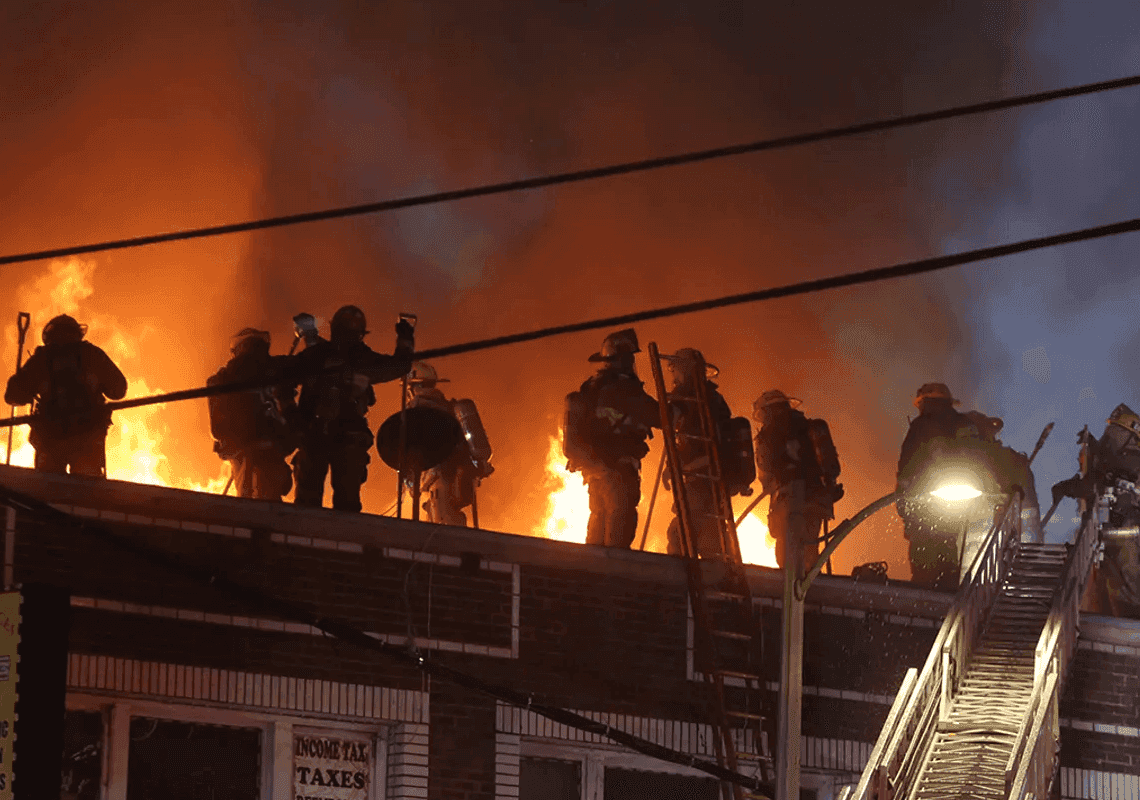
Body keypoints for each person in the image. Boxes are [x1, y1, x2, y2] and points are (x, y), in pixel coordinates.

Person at [289, 305, 414, 512]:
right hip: (346, 436)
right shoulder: (363, 359)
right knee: (346, 503)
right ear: (361, 334)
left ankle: (304, 531)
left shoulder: (317, 355)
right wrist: (405, 339)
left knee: (307, 501)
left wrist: (292, 416)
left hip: (315, 433)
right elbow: (400, 366)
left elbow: (284, 372)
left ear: (334, 328)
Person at [562, 329, 660, 548]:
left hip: (596, 471)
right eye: (629, 357)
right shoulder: (624, 390)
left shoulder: (592, 388)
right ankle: (614, 567)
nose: (631, 362)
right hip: (618, 469)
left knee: (598, 524)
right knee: (620, 527)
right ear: (622, 359)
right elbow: (659, 416)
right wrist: (682, 407)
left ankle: (593, 566)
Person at [4, 314, 127, 477]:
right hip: (87, 437)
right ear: (78, 333)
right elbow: (119, 390)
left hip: (50, 437)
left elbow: (13, 396)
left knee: (48, 486)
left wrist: (22, 382)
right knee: (87, 487)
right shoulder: (93, 355)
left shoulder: (42, 358)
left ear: (49, 336)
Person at [895, 383, 981, 590]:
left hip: (925, 508)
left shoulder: (920, 426)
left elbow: (907, 468)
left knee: (924, 564)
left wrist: (904, 507)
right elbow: (980, 460)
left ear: (924, 402)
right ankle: (950, 596)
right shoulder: (965, 425)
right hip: (962, 509)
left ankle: (923, 601)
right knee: (953, 558)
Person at [753, 389, 843, 572]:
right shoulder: (809, 427)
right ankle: (811, 584)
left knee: (787, 557)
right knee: (810, 549)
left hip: (789, 501)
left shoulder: (769, 433)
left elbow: (766, 472)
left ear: (766, 410)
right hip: (817, 498)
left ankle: (793, 588)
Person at [662, 348, 738, 558]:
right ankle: (716, 573)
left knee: (680, 535)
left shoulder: (686, 396)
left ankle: (680, 577)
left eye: (675, 370)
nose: (673, 376)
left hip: (698, 476)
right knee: (711, 536)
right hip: (715, 479)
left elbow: (669, 420)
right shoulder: (714, 398)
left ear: (684, 369)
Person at [206, 328, 297, 500]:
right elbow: (292, 418)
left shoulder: (222, 378)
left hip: (244, 454)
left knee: (247, 504)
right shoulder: (279, 371)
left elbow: (218, 430)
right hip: (272, 451)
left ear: (237, 349)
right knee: (269, 503)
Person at [405, 361, 494, 526]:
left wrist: (410, 482)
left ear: (414, 388)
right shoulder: (450, 409)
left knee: (444, 528)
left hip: (439, 481)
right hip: (456, 480)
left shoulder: (417, 413)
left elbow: (410, 452)